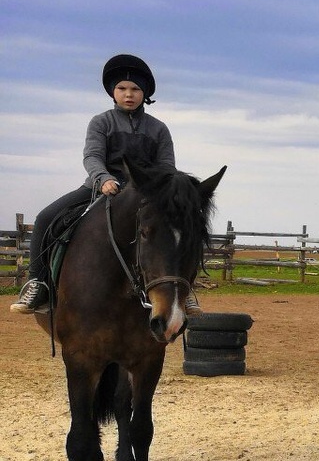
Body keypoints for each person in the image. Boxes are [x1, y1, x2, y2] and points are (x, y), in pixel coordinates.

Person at [13, 54, 201, 316]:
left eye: (135, 89)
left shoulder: (159, 129)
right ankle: (38, 283)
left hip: (145, 194)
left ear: (144, 93)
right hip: (99, 187)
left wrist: (160, 191)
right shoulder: (101, 122)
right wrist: (103, 179)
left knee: (176, 230)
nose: (129, 94)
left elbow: (166, 168)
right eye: (122, 89)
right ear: (113, 92)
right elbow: (92, 156)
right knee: (45, 217)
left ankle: (185, 289)